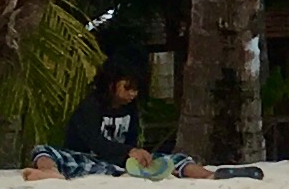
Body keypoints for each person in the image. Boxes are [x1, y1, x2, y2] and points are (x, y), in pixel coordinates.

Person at [29, 57, 237, 179]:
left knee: (173, 159)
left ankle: (207, 175)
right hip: (89, 159)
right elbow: (96, 143)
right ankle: (49, 172)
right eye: (127, 88)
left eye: (136, 89)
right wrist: (128, 151)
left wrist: (136, 155)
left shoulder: (131, 109)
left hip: (123, 163)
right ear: (111, 84)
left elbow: (132, 139)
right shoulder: (90, 107)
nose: (132, 94)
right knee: (44, 150)